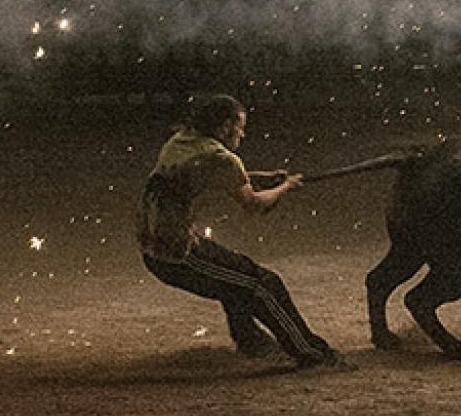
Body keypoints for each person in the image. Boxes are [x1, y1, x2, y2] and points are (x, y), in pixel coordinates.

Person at [137, 94, 344, 370]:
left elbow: (216, 173)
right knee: (263, 284)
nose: (242, 134)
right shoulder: (221, 158)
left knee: (237, 276)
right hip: (176, 254)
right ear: (225, 126)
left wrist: (260, 177)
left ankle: (251, 340)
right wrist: (286, 187)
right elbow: (255, 205)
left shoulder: (182, 141)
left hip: (155, 246)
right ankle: (311, 353)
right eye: (240, 127)